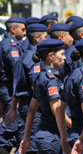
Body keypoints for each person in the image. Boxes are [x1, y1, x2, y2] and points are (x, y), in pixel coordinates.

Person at [18, 39, 72, 154]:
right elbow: (57, 110)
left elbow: (32, 109)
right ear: (51, 56)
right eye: (62, 54)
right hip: (53, 137)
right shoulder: (51, 79)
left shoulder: (42, 76)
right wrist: (70, 131)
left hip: (44, 135)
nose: (64, 58)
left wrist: (27, 137)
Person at [3, 24, 48, 153]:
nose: (48, 38)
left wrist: (13, 108)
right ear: (37, 38)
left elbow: (16, 85)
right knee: (30, 144)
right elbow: (37, 86)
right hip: (32, 106)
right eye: (45, 36)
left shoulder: (23, 56)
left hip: (26, 106)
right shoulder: (33, 58)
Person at [0, 17, 26, 119]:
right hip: (10, 89)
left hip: (8, 88)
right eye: (22, 30)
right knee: (10, 124)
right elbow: (16, 69)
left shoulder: (9, 42)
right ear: (13, 29)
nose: (24, 33)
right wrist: (17, 95)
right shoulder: (10, 45)